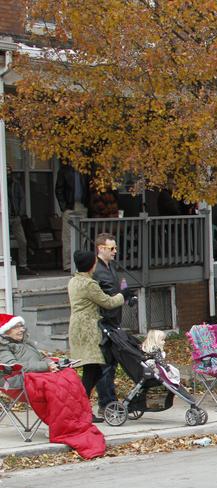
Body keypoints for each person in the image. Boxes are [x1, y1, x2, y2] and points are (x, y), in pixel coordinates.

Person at [68, 250, 125, 421]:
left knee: (93, 369)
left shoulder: (73, 281)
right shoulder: (89, 284)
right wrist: (124, 295)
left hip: (77, 327)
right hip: (89, 329)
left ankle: (82, 409)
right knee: (93, 369)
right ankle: (81, 410)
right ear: (91, 265)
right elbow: (108, 302)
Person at [93, 233, 134, 413]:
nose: (115, 251)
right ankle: (106, 404)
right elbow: (101, 298)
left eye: (115, 248)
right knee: (105, 365)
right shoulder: (96, 270)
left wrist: (127, 296)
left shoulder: (110, 267)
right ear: (101, 248)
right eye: (112, 248)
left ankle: (109, 401)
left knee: (112, 363)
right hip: (103, 323)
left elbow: (115, 291)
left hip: (114, 321)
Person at [0, 315, 59, 385]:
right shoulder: (3, 347)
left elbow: (42, 357)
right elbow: (14, 367)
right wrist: (45, 366)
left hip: (38, 375)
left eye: (21, 326)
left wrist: (51, 364)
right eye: (16, 327)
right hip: (20, 381)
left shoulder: (27, 343)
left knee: (68, 373)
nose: (22, 329)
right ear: (5, 331)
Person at [55, 164, 90, 272]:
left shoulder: (84, 170)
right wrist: (64, 207)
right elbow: (59, 189)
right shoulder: (64, 171)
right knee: (67, 236)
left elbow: (88, 189)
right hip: (70, 206)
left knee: (83, 235)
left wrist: (87, 204)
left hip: (82, 205)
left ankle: (81, 263)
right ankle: (68, 264)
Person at [6, 166, 36, 276]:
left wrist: (20, 212)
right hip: (4, 218)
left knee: (22, 241)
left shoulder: (16, 183)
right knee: (3, 243)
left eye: (9, 171)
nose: (8, 173)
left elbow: (22, 198)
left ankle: (23, 265)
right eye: (5, 171)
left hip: (15, 217)